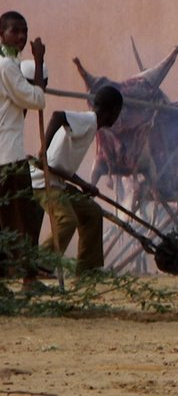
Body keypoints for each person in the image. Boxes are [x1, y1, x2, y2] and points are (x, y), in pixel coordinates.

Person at [30, 83, 123, 274]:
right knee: (67, 220)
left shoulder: (89, 127)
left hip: (59, 181)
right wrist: (43, 151)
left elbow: (61, 167)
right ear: (112, 111)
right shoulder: (89, 120)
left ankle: (88, 269)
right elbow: (58, 115)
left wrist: (84, 184)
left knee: (92, 212)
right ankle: (41, 265)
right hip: (44, 182)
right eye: (118, 112)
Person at [0, 10, 46, 282]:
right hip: (9, 156)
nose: (20, 36)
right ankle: (29, 280)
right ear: (1, 34)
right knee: (26, 218)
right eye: (14, 31)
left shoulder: (9, 64)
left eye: (24, 31)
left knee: (7, 219)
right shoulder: (6, 67)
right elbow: (37, 99)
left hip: (5, 153)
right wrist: (39, 61)